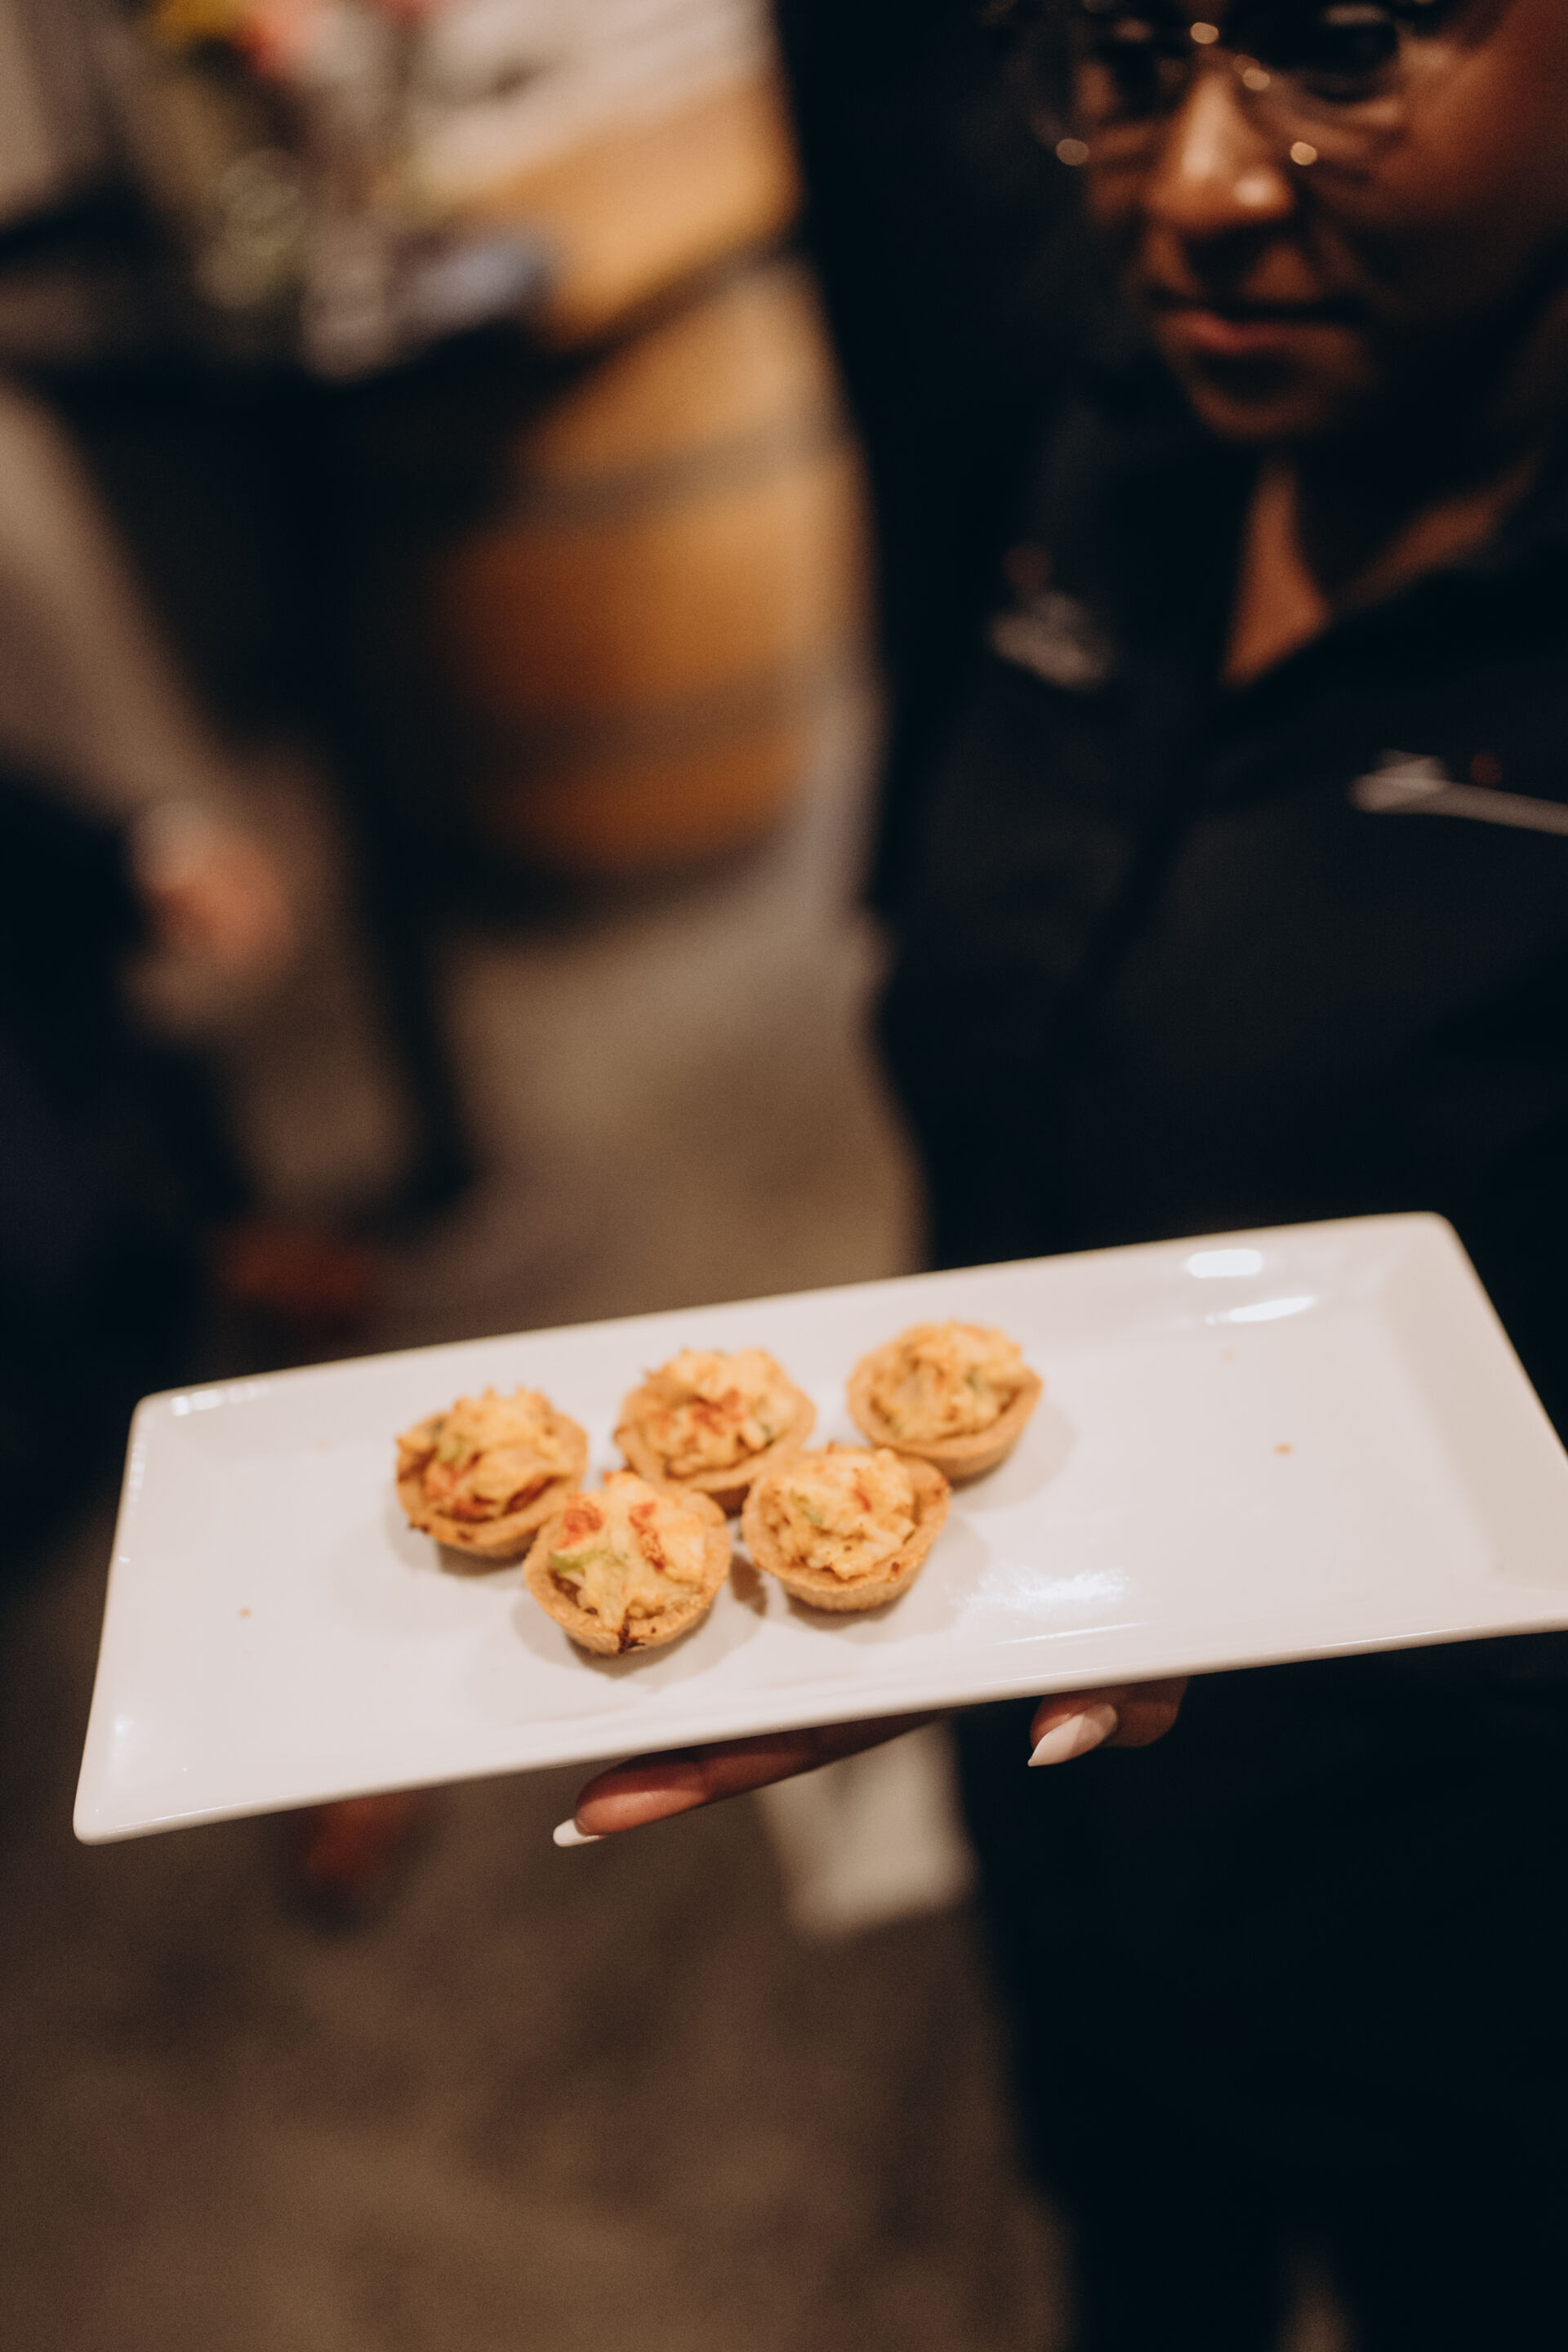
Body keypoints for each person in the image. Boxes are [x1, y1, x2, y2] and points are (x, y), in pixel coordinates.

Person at [562, 3, 1568, 2344]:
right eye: (1121, 49)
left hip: (1488, 1915)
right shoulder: (1109, 424)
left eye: (1340, 40)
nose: (1194, 186)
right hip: (1074, 1799)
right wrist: (917, 1547)